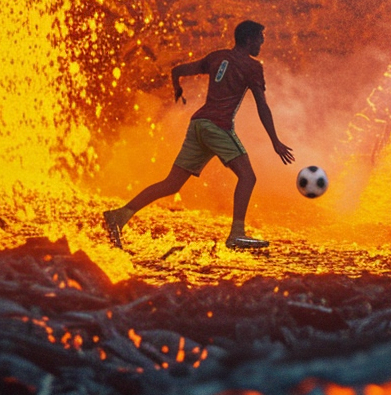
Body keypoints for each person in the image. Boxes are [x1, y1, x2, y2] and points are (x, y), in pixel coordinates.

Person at [103, 20, 294, 249]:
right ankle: (236, 234)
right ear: (248, 39)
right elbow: (262, 106)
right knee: (248, 177)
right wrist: (275, 141)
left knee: (171, 184)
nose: (263, 42)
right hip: (217, 127)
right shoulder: (252, 67)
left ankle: (119, 216)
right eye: (260, 37)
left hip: (198, 125)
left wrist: (177, 87)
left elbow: (178, 70)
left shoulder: (217, 57)